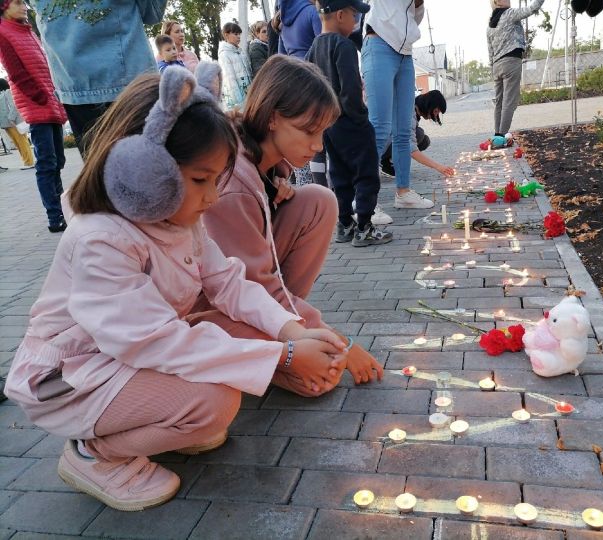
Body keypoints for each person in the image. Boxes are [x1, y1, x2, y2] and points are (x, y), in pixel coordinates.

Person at [3, 64, 348, 512]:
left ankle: (164, 419)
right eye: (201, 180)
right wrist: (281, 356)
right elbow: (157, 342)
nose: (212, 197)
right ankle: (94, 453)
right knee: (216, 403)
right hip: (69, 380)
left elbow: (228, 283)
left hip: (122, 361)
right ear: (143, 171)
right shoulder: (102, 239)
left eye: (217, 179)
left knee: (218, 385)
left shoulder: (181, 221)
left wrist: (291, 330)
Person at [203, 54, 384, 387]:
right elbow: (251, 287)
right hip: (211, 306)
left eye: (322, 133)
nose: (317, 146)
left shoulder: (267, 163)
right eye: (308, 131)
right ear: (273, 118)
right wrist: (339, 341)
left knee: (318, 200)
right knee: (320, 379)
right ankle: (276, 344)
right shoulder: (233, 185)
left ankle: (288, 329)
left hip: (255, 293)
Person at [30, 0, 167, 158]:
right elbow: (152, 13)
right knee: (149, 168)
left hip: (71, 82)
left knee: (99, 171)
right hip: (127, 78)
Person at [306, 0, 393, 248]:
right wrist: (359, 117)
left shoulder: (314, 46)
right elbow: (350, 87)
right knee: (366, 174)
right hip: (349, 121)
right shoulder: (342, 46)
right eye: (355, 15)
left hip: (328, 125)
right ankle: (364, 226)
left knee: (340, 175)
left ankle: (344, 224)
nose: (356, 21)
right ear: (341, 15)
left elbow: (310, 85)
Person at [0, 0, 67, 232]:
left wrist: (56, 97)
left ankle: (61, 208)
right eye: (18, 3)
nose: (24, 7)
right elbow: (16, 73)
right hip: (37, 104)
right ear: (4, 6)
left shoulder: (28, 31)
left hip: (50, 102)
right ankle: (55, 216)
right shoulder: (3, 32)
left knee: (59, 159)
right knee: (47, 162)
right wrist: (39, 97)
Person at [361, 0, 434, 211]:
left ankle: (403, 192)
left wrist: (419, 5)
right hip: (378, 43)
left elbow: (411, 20)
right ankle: (365, 200)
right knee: (379, 126)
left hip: (406, 53)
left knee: (403, 131)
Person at [487, 0, 545, 137]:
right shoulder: (509, 14)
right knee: (509, 101)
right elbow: (532, 8)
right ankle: (502, 136)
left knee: (499, 102)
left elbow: (490, 51)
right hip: (511, 61)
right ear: (498, 2)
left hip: (496, 65)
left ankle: (497, 134)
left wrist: (493, 68)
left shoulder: (489, 26)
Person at [380, 89, 455, 179]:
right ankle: (383, 162)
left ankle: (389, 161)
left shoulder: (413, 108)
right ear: (428, 105)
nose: (435, 116)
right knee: (419, 134)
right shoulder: (408, 113)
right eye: (435, 111)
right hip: (377, 147)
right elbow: (411, 148)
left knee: (424, 140)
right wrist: (438, 166)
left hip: (385, 140)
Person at [218, 21, 254, 110]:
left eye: (239, 34)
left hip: (249, 94)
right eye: (235, 34)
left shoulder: (240, 52)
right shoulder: (224, 54)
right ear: (226, 35)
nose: (238, 36)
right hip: (239, 100)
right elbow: (230, 80)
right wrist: (239, 103)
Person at [0, 77, 34, 168]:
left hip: (13, 122)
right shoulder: (2, 94)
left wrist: (11, 118)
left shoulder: (8, 92)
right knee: (17, 143)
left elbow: (14, 106)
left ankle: (29, 162)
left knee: (22, 142)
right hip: (6, 124)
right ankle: (26, 161)